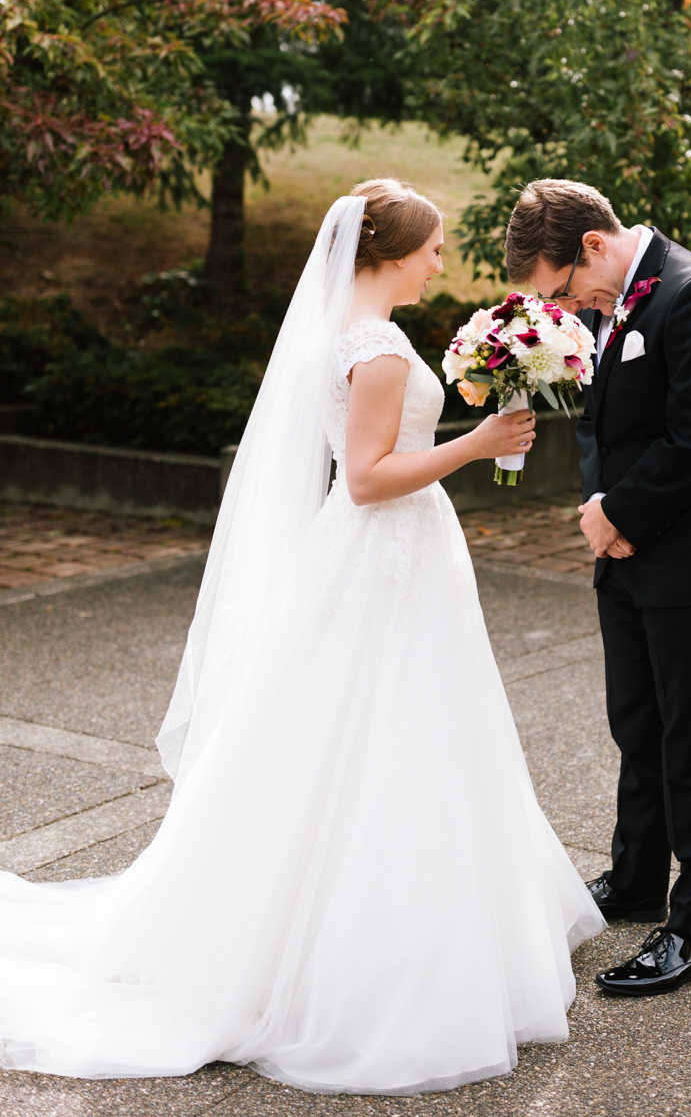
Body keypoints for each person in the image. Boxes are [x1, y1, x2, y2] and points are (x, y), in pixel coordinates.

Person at [0, 178, 604, 1093]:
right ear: (393, 256)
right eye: (433, 247)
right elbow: (365, 477)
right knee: (386, 734)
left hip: (382, 555)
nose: (442, 261)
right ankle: (365, 958)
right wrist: (476, 447)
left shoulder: (351, 337)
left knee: (370, 734)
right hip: (385, 552)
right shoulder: (380, 352)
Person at [505, 178, 691, 998]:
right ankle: (635, 881)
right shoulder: (604, 307)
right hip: (623, 553)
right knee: (637, 723)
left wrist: (620, 512)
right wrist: (605, 517)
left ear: (593, 245)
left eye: (561, 288)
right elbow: (602, 425)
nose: (566, 305)